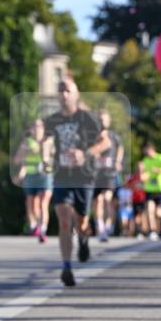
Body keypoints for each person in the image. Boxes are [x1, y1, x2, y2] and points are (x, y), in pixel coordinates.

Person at [43, 77, 110, 287]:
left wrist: (86, 153)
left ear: (76, 94)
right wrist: (45, 157)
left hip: (85, 176)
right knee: (63, 219)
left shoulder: (87, 118)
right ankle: (66, 267)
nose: (64, 94)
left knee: (81, 221)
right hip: (62, 175)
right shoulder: (52, 120)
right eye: (60, 90)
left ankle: (83, 239)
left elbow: (105, 141)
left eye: (68, 90)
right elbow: (45, 141)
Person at [13, 117, 52, 243]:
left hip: (45, 175)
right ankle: (35, 225)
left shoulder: (48, 141)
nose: (37, 129)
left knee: (43, 203)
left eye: (40, 126)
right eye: (35, 126)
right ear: (31, 129)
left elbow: (54, 157)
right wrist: (26, 152)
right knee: (31, 204)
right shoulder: (27, 142)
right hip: (31, 175)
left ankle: (43, 230)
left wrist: (45, 151)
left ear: (44, 128)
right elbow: (17, 160)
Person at [93, 109, 124, 242]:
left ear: (108, 121)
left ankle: (108, 225)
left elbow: (120, 148)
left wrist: (117, 161)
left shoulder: (114, 136)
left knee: (107, 198)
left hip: (109, 172)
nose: (102, 122)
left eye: (104, 119)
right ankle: (100, 227)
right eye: (100, 120)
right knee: (97, 200)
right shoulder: (92, 135)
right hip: (96, 172)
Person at [140, 142, 161, 240]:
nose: (144, 152)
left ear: (151, 149)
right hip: (149, 189)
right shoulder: (145, 160)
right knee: (149, 210)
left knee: (158, 213)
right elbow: (143, 174)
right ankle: (153, 231)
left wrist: (158, 171)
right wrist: (143, 177)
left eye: (146, 150)